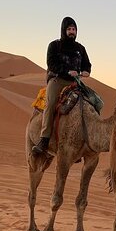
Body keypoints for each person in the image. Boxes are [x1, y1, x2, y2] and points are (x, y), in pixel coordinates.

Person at [32, 16, 91, 154]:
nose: (72, 32)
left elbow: (87, 64)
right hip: (57, 80)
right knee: (51, 103)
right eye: (69, 29)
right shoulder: (54, 45)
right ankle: (44, 139)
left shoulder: (80, 48)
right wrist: (66, 71)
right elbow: (51, 64)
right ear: (64, 30)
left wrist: (86, 71)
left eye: (74, 29)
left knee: (93, 101)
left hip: (75, 82)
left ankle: (83, 140)